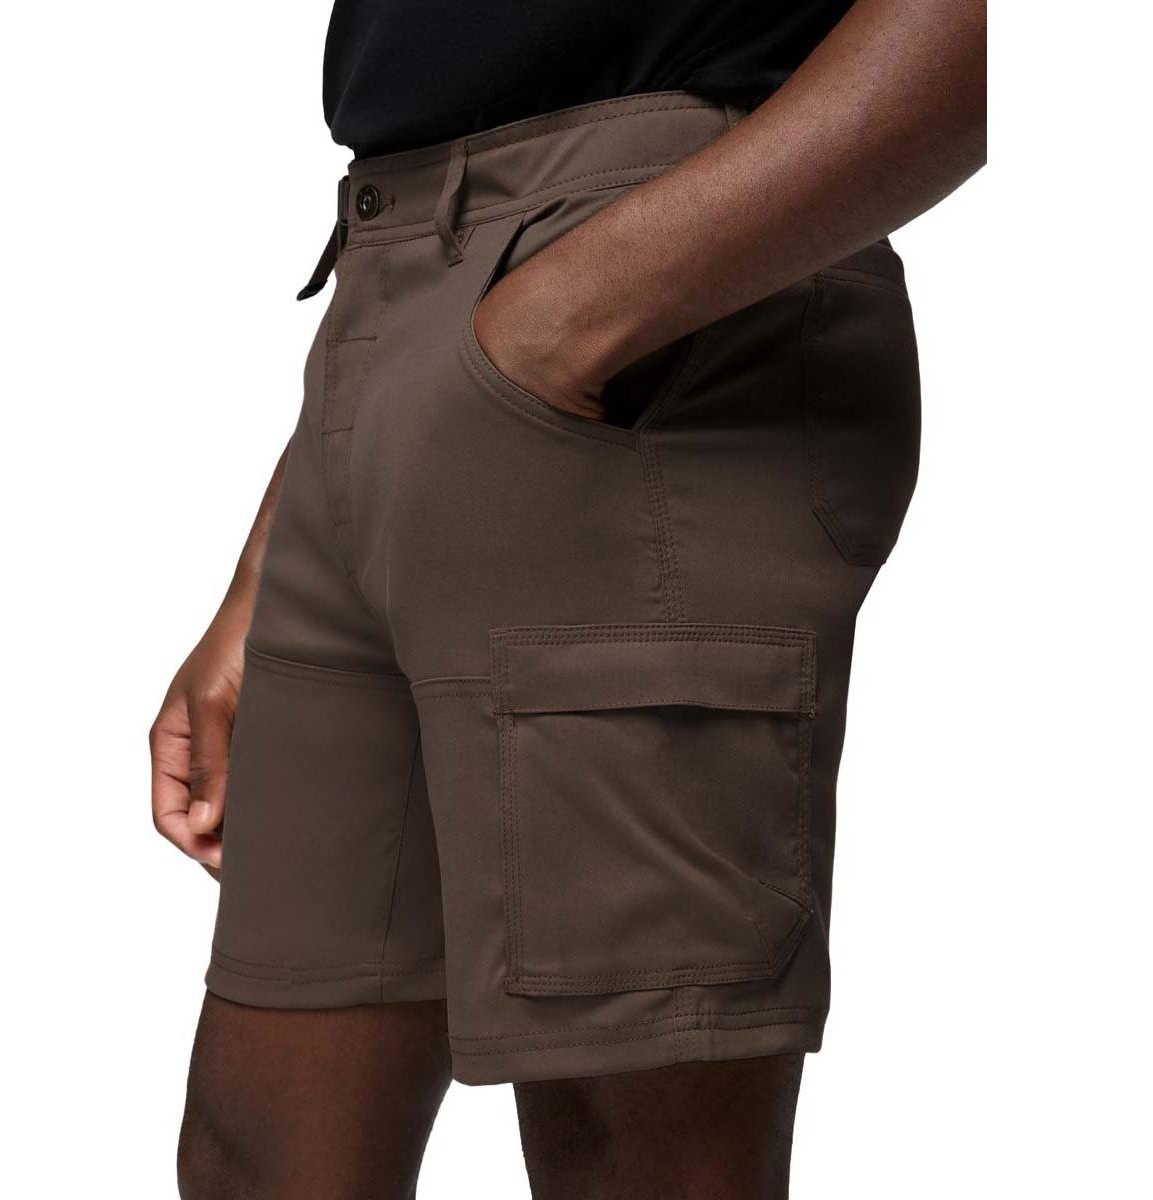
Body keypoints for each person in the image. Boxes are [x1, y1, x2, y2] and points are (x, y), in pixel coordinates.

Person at [152, 0, 985, 1195]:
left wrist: (560, 324)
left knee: (629, 1148)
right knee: (259, 1154)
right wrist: (276, 544)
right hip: (397, 278)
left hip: (651, 322)